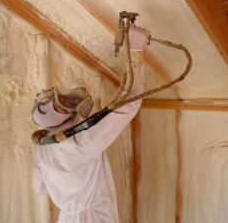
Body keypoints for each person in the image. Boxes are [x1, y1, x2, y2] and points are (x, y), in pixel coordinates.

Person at [32, 24, 149, 223]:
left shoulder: (45, 147)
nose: (69, 101)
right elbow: (126, 105)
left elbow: (39, 187)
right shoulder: (83, 142)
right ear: (58, 117)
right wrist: (136, 51)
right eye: (64, 103)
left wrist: (68, 191)